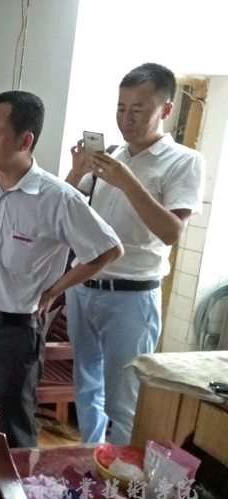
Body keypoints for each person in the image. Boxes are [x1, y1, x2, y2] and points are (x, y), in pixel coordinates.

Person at [0, 91, 123, 448]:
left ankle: (15, 485)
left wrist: (54, 290)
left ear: (25, 141)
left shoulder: (58, 198)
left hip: (13, 333)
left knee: (14, 428)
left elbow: (108, 250)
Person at [64, 63, 206, 444]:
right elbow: (64, 211)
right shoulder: (111, 155)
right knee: (85, 390)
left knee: (123, 402)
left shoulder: (184, 161)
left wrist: (128, 182)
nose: (126, 118)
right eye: (121, 107)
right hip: (84, 286)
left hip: (132, 295)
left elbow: (171, 231)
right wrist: (76, 172)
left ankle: (118, 476)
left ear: (166, 109)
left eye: (138, 109)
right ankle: (91, 461)